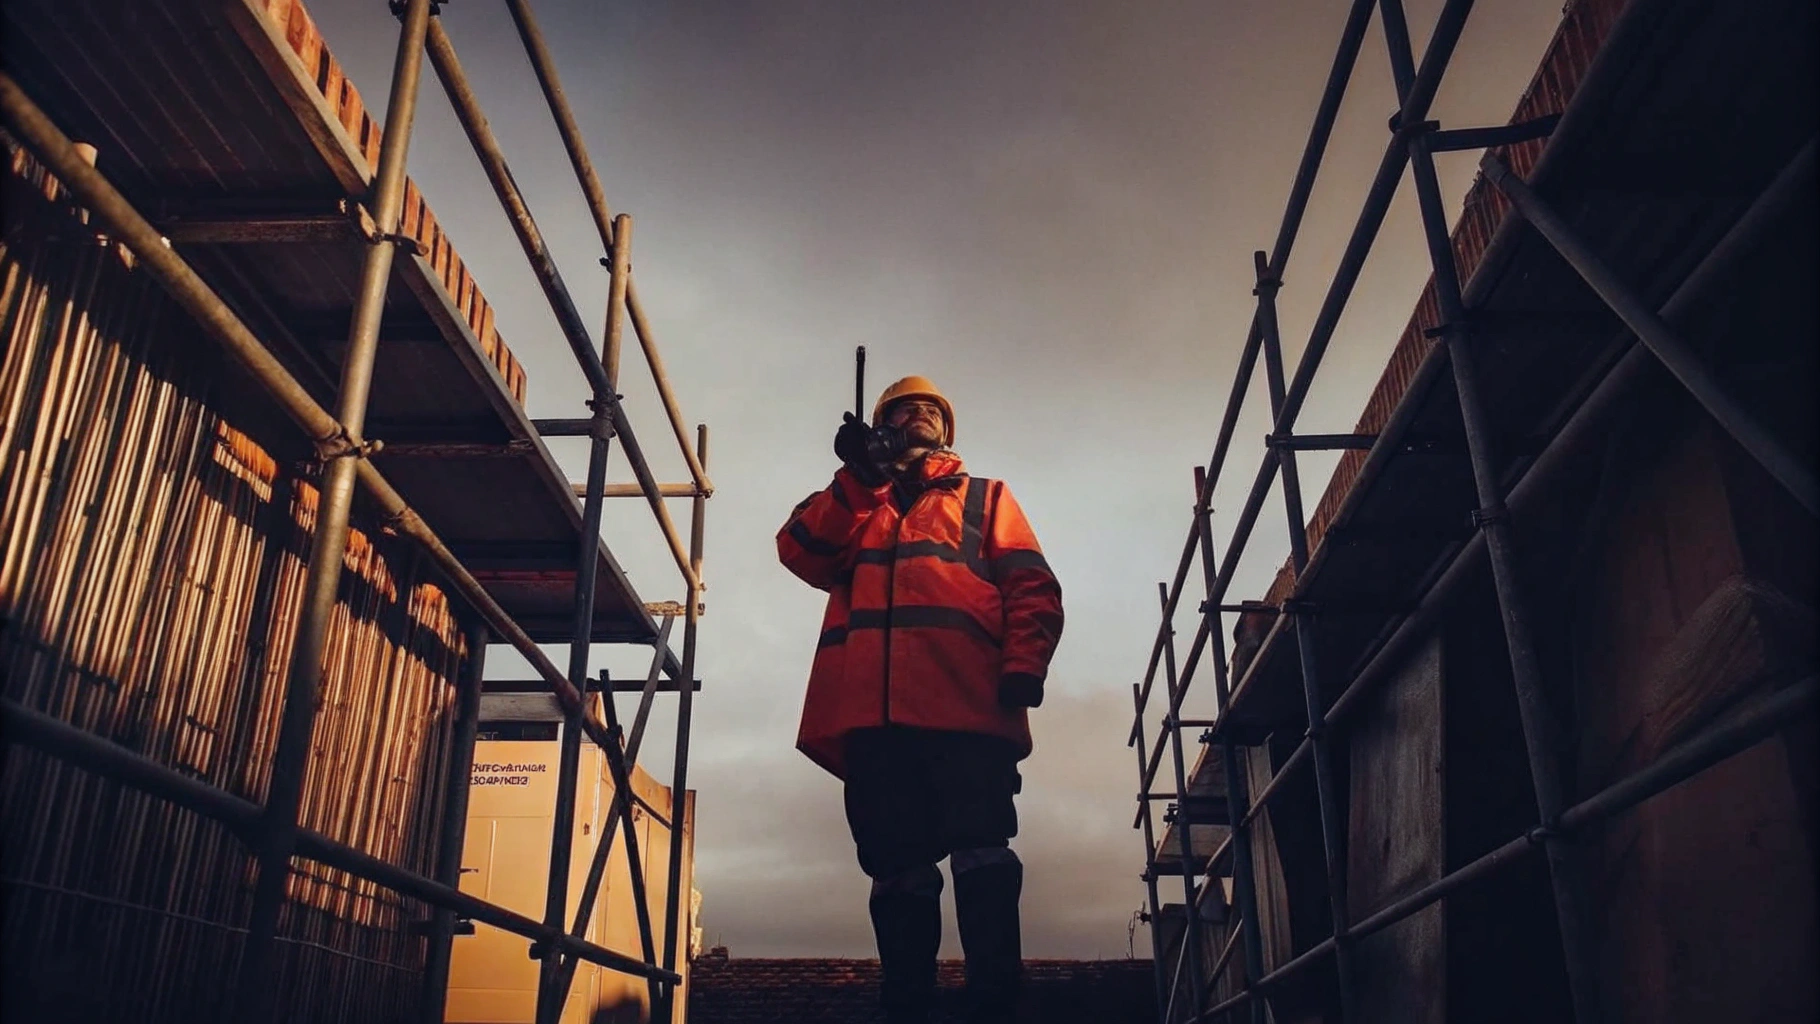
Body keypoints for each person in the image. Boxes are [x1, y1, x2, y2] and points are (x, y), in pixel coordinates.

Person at [777, 375, 1064, 1023]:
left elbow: (1031, 587)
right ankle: (907, 1001)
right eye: (907, 408)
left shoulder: (986, 497)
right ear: (883, 423)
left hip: (969, 708)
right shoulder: (852, 502)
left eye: (932, 409)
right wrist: (858, 479)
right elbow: (800, 553)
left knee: (983, 847)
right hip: (873, 721)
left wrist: (1024, 665)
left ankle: (996, 998)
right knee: (896, 863)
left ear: (947, 429)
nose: (922, 415)